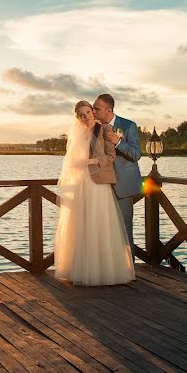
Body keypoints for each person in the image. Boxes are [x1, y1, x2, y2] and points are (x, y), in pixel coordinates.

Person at [54, 100, 135, 285]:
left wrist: (90, 162)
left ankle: (104, 270)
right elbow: (73, 160)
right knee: (83, 224)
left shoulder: (104, 130)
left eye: (88, 112)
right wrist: (76, 164)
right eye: (81, 115)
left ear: (92, 112)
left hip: (98, 184)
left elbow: (110, 157)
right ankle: (83, 269)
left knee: (100, 225)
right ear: (78, 117)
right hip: (82, 184)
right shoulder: (78, 134)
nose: (85, 117)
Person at [92, 93, 142, 257]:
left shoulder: (128, 126)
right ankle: (110, 268)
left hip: (123, 185)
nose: (93, 112)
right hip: (102, 185)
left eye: (97, 109)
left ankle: (129, 269)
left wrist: (118, 142)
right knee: (103, 228)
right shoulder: (96, 128)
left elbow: (136, 154)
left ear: (109, 110)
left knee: (124, 228)